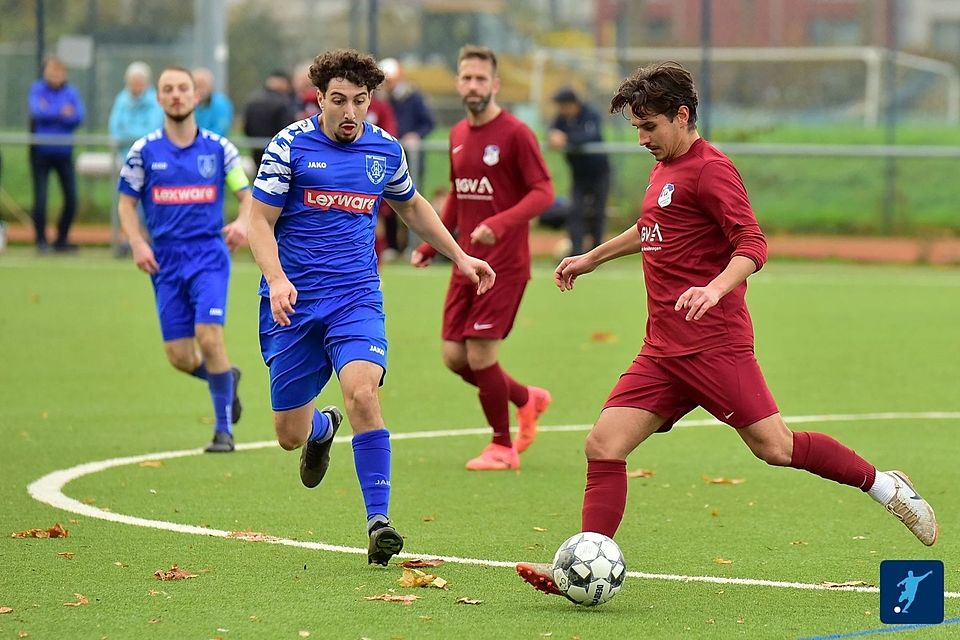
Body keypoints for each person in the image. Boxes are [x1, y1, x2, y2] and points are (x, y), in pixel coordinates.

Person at [516, 61, 938, 599]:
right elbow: (652, 227)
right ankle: (587, 567)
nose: (642, 139)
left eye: (649, 127)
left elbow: (752, 244)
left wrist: (714, 289)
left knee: (776, 448)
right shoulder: (664, 166)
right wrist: (592, 258)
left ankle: (883, 484)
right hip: (663, 351)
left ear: (682, 115)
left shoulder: (711, 169)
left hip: (715, 346)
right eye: (637, 129)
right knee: (603, 446)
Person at [246, 49, 495, 566]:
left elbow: (411, 206)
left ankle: (378, 522)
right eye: (338, 100)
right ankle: (321, 428)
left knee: (363, 393)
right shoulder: (288, 147)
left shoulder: (383, 150)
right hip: (292, 302)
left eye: (360, 101)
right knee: (289, 435)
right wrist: (276, 278)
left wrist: (460, 255)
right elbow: (259, 221)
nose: (349, 112)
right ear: (318, 99)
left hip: (356, 296)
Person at [410, 45, 554, 472]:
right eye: (466, 78)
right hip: (466, 264)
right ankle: (527, 398)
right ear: (458, 83)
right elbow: (458, 194)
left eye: (480, 78)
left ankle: (502, 446)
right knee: (454, 356)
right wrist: (428, 243)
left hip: (504, 265)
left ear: (495, 84)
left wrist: (502, 223)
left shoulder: (515, 134)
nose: (473, 85)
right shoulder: (456, 135)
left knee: (480, 356)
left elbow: (543, 191)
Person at [117, 65, 250, 453]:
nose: (176, 95)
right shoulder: (143, 152)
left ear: (195, 96)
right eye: (168, 89)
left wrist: (242, 222)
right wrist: (138, 243)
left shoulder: (219, 149)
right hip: (165, 260)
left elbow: (247, 196)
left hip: (209, 254)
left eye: (183, 89)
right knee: (179, 356)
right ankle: (225, 378)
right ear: (159, 98)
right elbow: (126, 205)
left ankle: (223, 431)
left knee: (209, 337)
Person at [29, 57, 85, 253]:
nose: (55, 76)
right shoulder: (37, 89)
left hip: (64, 152)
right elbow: (37, 112)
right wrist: (61, 113)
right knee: (41, 198)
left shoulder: (71, 92)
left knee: (71, 198)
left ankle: (61, 238)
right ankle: (41, 241)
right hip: (41, 152)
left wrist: (51, 112)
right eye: (51, 72)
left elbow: (78, 116)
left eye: (58, 72)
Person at [381, 57, 436, 253]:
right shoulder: (382, 100)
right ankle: (393, 246)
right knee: (386, 202)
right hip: (387, 159)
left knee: (411, 200)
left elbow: (428, 122)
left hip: (412, 158)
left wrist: (416, 135)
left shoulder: (413, 97)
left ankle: (414, 245)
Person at [547, 87, 611, 255]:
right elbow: (552, 133)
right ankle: (575, 252)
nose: (560, 109)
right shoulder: (561, 119)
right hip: (579, 174)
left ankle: (597, 252)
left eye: (563, 105)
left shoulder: (590, 115)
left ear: (573, 104)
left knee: (597, 212)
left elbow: (591, 136)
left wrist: (567, 138)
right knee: (575, 212)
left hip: (599, 172)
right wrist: (552, 137)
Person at [108, 61, 164, 155]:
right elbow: (114, 128)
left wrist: (126, 135)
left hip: (148, 153)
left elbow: (152, 131)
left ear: (147, 83)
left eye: (139, 81)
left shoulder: (156, 101)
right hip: (123, 154)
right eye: (133, 81)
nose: (136, 85)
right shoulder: (121, 99)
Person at [243, 70, 297, 167]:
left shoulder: (253, 100)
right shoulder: (283, 102)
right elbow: (286, 128)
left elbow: (247, 127)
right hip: (279, 150)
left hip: (256, 147)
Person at [193, 67, 234, 137]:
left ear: (210, 86)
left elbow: (220, 130)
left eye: (202, 85)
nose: (199, 90)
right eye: (196, 86)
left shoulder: (221, 104)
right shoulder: (188, 104)